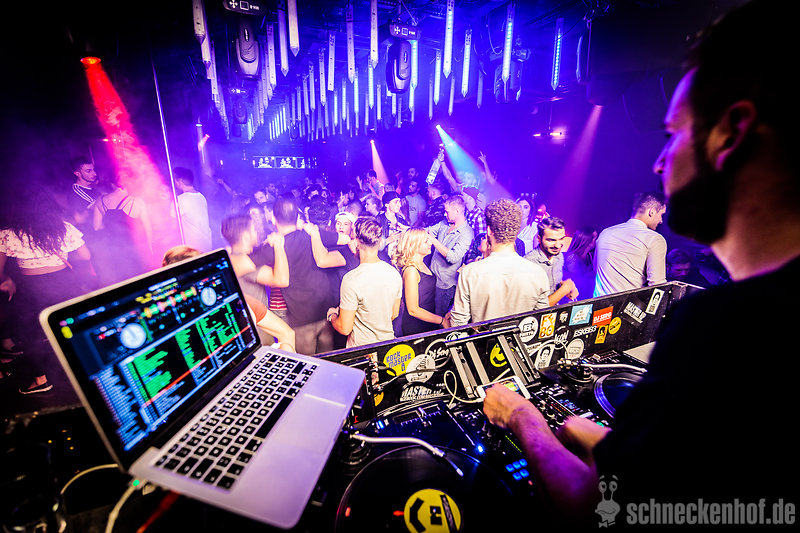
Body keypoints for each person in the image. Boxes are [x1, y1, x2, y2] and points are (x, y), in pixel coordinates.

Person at [483, 0, 800, 523]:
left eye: (674, 134)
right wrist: (612, 444)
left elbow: (596, 510)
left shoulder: (723, 325)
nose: (658, 162)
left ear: (732, 134)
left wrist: (521, 415)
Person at [0, 189, 94, 394]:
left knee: (30, 333)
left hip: (31, 287)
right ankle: (87, 371)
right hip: (64, 283)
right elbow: (86, 256)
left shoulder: (9, 234)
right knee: (70, 326)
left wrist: (6, 278)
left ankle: (41, 380)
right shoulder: (64, 228)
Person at [250, 194, 336, 355]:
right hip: (325, 313)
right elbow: (343, 240)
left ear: (274, 219)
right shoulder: (312, 235)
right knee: (330, 361)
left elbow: (245, 264)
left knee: (308, 364)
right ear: (297, 218)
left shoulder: (274, 245)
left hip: (302, 320)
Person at [448, 199, 549, 327]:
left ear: (489, 231)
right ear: (516, 230)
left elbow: (458, 326)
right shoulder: (538, 273)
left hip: (481, 339)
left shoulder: (470, 273)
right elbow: (541, 322)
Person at [220, 215, 295, 351]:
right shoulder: (246, 264)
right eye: (254, 230)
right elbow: (282, 280)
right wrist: (279, 246)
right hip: (260, 332)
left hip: (250, 329)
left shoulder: (231, 258)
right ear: (245, 236)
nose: (257, 233)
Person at [326, 217, 402, 348]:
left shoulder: (352, 279)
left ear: (357, 242)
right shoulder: (394, 273)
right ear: (379, 242)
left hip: (362, 349)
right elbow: (394, 313)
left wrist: (332, 315)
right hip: (387, 345)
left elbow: (344, 328)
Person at [593, 192, 667, 297]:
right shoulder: (654, 239)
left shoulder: (606, 233)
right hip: (629, 306)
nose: (661, 221)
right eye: (661, 215)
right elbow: (657, 286)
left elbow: (596, 268)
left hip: (599, 304)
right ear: (652, 212)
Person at [91, 175, 154, 285]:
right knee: (140, 280)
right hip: (135, 248)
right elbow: (147, 227)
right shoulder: (138, 201)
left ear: (112, 184)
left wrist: (110, 226)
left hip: (113, 250)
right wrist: (150, 247)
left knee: (122, 281)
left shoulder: (100, 201)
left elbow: (96, 227)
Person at [427, 194, 474, 316]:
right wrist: (409, 229)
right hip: (432, 277)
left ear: (457, 211)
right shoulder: (445, 224)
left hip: (445, 285)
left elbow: (453, 257)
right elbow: (428, 231)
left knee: (440, 319)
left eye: (447, 212)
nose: (444, 214)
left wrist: (434, 241)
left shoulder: (466, 233)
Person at [392, 228, 443, 336]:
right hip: (416, 327)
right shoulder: (411, 270)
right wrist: (441, 320)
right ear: (414, 245)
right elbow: (413, 310)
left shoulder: (422, 263)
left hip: (428, 321)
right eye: (426, 241)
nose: (430, 243)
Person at [524, 216, 579, 305]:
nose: (557, 245)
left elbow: (552, 284)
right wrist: (564, 289)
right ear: (539, 239)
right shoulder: (529, 264)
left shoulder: (558, 256)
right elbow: (535, 307)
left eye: (561, 239)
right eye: (551, 240)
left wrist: (563, 285)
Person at [173, 167, 213, 253]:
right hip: (207, 244)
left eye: (174, 180)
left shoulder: (180, 200)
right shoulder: (201, 197)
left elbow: (173, 225)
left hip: (193, 249)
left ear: (180, 181)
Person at [562, 226, 598, 300]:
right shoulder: (571, 258)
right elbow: (578, 280)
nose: (597, 241)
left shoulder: (590, 256)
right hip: (575, 296)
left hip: (587, 294)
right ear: (587, 239)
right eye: (595, 238)